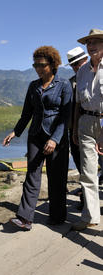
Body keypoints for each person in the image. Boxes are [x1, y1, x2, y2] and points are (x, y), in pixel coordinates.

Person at [3, 46, 72, 230]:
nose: (38, 68)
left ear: (52, 64)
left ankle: (57, 216)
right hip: (35, 135)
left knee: (56, 178)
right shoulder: (33, 86)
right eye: (35, 65)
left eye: (42, 65)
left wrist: (55, 139)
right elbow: (26, 113)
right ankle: (25, 218)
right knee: (32, 175)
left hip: (56, 138)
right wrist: (15, 132)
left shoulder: (64, 85)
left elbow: (66, 116)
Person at [73, 29, 103, 231]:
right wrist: (75, 128)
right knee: (88, 172)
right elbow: (78, 104)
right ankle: (90, 216)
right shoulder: (82, 71)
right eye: (88, 43)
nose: (91, 46)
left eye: (95, 42)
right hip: (85, 123)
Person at [66, 47, 88, 209]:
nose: (76, 67)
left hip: (93, 129)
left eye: (78, 63)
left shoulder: (96, 76)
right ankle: (86, 199)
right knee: (81, 165)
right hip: (74, 130)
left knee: (91, 165)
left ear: (85, 60)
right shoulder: (71, 82)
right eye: (73, 65)